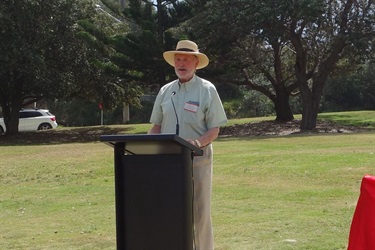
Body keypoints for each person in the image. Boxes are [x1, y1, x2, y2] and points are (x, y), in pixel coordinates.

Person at [148, 40, 228, 250]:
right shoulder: (166, 91)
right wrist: (148, 150)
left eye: (186, 59)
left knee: (199, 212)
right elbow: (156, 126)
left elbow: (214, 129)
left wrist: (197, 142)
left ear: (195, 62)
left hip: (197, 161)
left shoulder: (206, 89)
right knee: (169, 210)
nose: (181, 64)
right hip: (168, 162)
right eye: (178, 60)